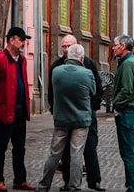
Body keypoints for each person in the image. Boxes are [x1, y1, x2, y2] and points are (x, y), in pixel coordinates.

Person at [0, 26, 36, 192]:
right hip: (5, 110)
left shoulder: (22, 60)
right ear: (12, 40)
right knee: (1, 147)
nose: (24, 42)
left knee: (20, 147)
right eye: (21, 39)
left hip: (20, 111)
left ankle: (20, 180)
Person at [48, 35, 105, 192]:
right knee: (66, 152)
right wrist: (55, 110)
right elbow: (51, 93)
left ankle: (95, 181)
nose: (66, 49)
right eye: (64, 46)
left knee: (91, 147)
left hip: (87, 115)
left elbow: (97, 89)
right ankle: (68, 181)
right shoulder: (57, 66)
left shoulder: (88, 64)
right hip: (65, 116)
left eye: (69, 46)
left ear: (76, 47)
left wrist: (93, 107)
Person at [35, 43, 95, 192]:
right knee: (76, 154)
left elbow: (54, 90)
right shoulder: (87, 73)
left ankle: (43, 185)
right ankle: (75, 186)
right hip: (81, 119)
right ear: (81, 58)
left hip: (61, 119)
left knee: (54, 154)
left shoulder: (56, 71)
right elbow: (92, 91)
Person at [111, 34, 134, 191]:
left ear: (123, 46)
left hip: (127, 112)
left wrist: (116, 104)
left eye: (115, 45)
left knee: (128, 153)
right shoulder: (130, 62)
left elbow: (126, 90)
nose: (113, 47)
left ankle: (133, 187)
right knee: (131, 151)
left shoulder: (128, 64)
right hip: (130, 111)